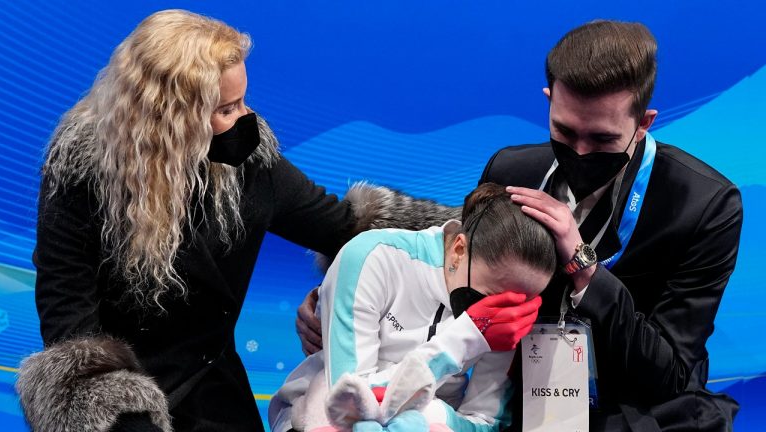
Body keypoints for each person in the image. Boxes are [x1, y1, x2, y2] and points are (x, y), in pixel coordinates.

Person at [15, 10, 457, 432]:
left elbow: (349, 228)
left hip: (214, 391)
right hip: (122, 403)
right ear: (171, 121)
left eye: (244, 100)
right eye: (227, 108)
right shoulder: (81, 174)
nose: (247, 118)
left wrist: (476, 230)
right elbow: (70, 330)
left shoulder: (252, 164)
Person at [298, 20, 743, 431]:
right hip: (516, 403)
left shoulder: (704, 205)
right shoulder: (511, 169)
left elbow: (672, 375)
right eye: (566, 133)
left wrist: (586, 269)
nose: (582, 152)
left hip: (635, 412)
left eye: (603, 139)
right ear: (549, 100)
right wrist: (337, 302)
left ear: (644, 124)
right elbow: (451, 282)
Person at [271, 183, 557, 432]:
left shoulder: (512, 315)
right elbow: (350, 399)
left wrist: (431, 416)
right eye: (493, 295)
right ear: (459, 248)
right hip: (315, 417)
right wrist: (466, 338)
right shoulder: (372, 256)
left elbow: (484, 421)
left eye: (519, 302)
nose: (501, 311)